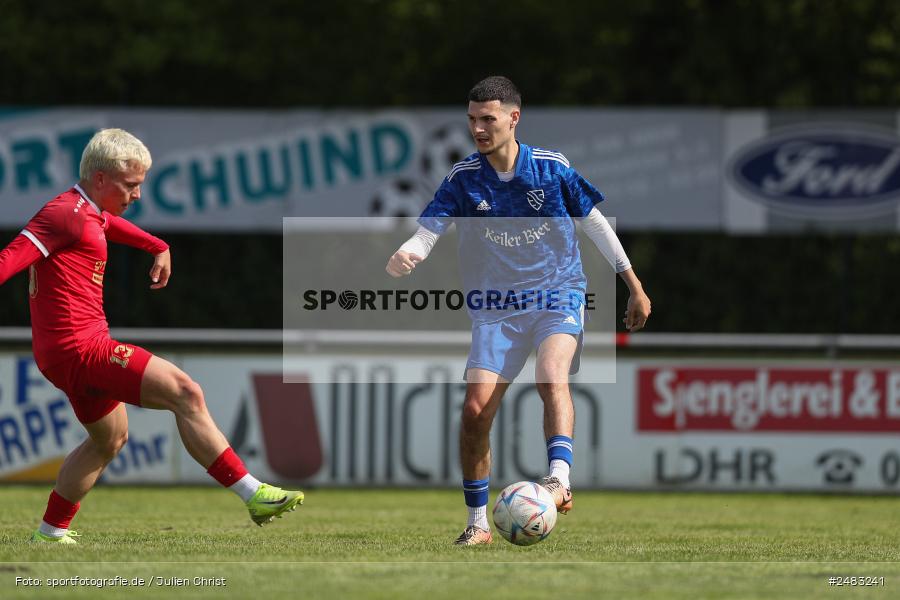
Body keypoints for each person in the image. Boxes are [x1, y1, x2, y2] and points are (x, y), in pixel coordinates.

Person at [0, 128, 303, 544]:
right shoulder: (61, 215)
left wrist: (156, 244)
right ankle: (254, 494)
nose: (138, 195)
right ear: (100, 178)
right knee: (185, 391)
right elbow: (8, 260)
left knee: (109, 439)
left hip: (64, 353)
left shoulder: (84, 211)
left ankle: (51, 532)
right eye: (131, 185)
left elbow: (106, 226)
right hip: (81, 349)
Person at [386, 76, 651, 545]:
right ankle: (478, 524)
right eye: (471, 119)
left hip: (557, 293)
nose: (478, 129)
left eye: (487, 119)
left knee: (552, 376)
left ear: (514, 118)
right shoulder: (464, 178)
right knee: (474, 412)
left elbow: (595, 225)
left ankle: (559, 480)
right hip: (497, 308)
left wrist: (633, 284)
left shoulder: (551, 169)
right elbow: (431, 226)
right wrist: (411, 251)